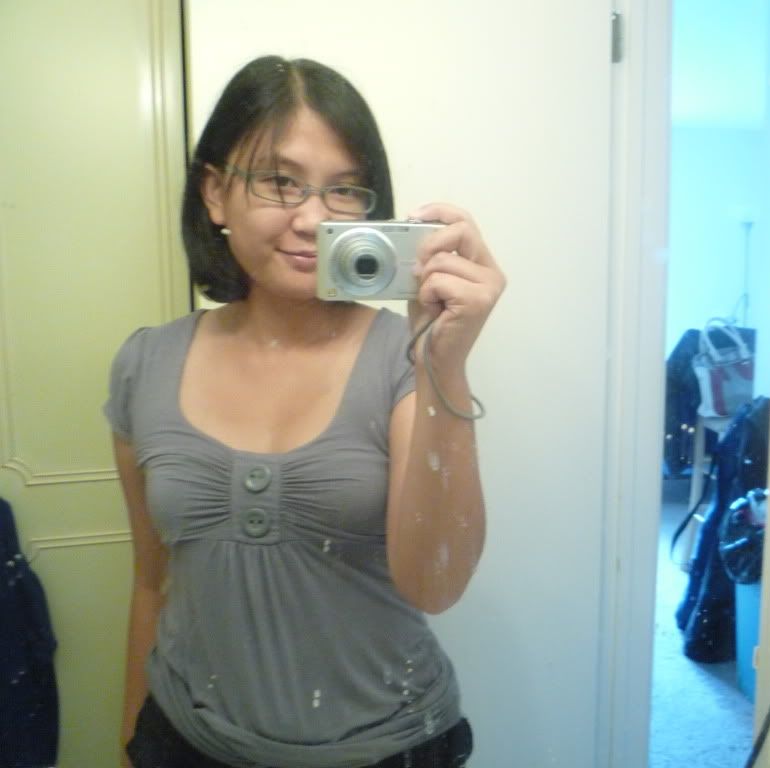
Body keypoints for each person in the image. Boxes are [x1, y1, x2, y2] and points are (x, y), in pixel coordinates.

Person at [105, 55, 505, 768]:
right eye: (280, 180)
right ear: (216, 193)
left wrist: (443, 362)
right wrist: (132, 738)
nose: (313, 218)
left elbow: (436, 583)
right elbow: (150, 577)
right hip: (185, 739)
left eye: (344, 189)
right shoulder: (145, 364)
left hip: (391, 747)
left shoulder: (403, 360)